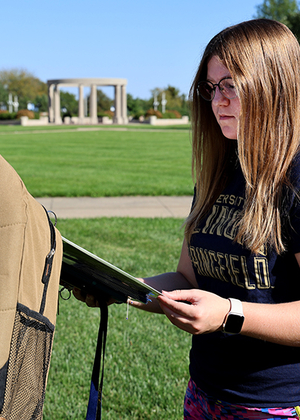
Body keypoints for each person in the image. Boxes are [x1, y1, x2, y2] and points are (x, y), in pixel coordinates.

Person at [75, 18, 300, 419]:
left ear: (273, 85)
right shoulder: (218, 171)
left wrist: (229, 315)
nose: (218, 101)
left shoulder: (295, 178)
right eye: (212, 88)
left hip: (276, 405)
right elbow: (188, 280)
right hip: (204, 393)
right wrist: (117, 286)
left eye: (232, 85)